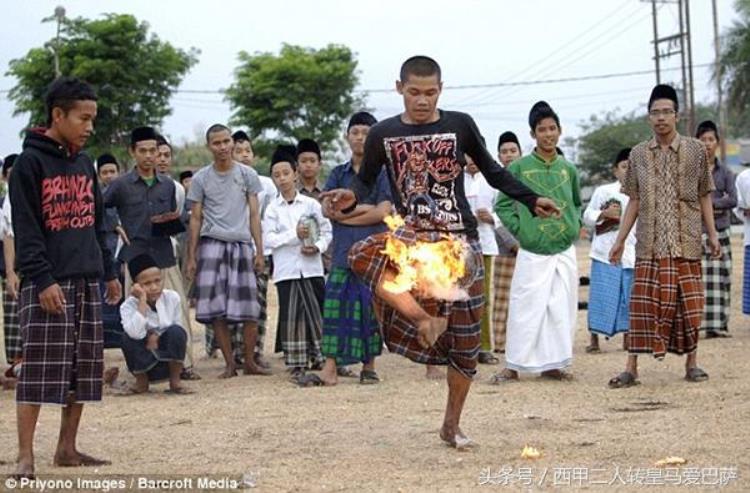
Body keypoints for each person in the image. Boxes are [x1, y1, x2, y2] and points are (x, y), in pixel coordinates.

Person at [322, 56, 559, 448]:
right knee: (361, 255)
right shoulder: (383, 133)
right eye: (414, 92)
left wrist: (532, 200)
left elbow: (493, 171)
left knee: (466, 345)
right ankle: (420, 319)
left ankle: (451, 424)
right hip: (412, 239)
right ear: (399, 89)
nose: (422, 100)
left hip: (459, 242)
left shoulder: (459, 125)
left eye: (430, 93)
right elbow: (364, 185)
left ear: (441, 89)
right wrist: (350, 197)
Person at [10, 77, 121, 477]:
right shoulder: (29, 164)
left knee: (83, 366)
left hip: (88, 278)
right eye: (83, 118)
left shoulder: (84, 162)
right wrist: (42, 280)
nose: (89, 126)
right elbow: (26, 229)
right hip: (49, 284)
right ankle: (25, 456)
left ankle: (67, 448)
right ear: (58, 115)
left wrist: (108, 271)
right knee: (39, 367)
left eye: (93, 118)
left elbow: (96, 223)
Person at [608, 84, 720, 388]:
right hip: (650, 243)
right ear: (648, 118)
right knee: (642, 305)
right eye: (655, 112)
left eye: (666, 112)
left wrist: (712, 235)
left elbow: (705, 195)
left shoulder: (696, 151)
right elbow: (634, 199)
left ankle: (692, 363)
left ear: (677, 115)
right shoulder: (638, 155)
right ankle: (631, 367)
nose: (661, 118)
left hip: (686, 241)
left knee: (690, 305)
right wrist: (619, 240)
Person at [492, 101, 581, 383]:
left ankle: (553, 364)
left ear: (560, 130)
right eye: (542, 129)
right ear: (533, 134)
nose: (548, 134)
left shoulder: (569, 169)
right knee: (525, 307)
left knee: (560, 307)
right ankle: (514, 365)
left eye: (552, 128)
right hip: (532, 250)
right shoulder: (518, 167)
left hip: (563, 249)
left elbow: (577, 204)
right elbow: (503, 206)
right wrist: (523, 232)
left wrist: (573, 227)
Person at [104, 127, 199, 381]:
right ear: (132, 152)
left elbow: (174, 217)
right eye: (143, 151)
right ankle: (142, 371)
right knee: (136, 314)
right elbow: (100, 207)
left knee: (176, 312)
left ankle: (183, 366)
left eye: (153, 151)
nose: (148, 156)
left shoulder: (169, 186)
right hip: (135, 258)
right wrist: (115, 223)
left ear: (159, 153)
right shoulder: (120, 185)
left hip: (164, 256)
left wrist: (171, 220)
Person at [311, 112, 391, 386]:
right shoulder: (337, 173)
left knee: (370, 310)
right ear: (347, 137)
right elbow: (327, 208)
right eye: (355, 132)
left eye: (366, 133)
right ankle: (330, 368)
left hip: (373, 253)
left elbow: (383, 211)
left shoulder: (383, 172)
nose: (360, 137)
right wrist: (358, 210)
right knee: (334, 309)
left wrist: (345, 213)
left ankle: (369, 367)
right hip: (343, 252)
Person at [186, 124, 268, 378]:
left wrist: (259, 250)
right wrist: (191, 256)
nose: (222, 147)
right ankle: (229, 363)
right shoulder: (200, 178)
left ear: (232, 142)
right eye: (216, 143)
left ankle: (250, 362)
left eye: (226, 141)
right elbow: (196, 219)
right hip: (211, 245)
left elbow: (254, 214)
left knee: (250, 308)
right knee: (216, 308)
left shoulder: (247, 175)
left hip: (242, 245)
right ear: (209, 146)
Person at [264, 150, 332, 381]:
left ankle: (324, 359)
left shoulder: (311, 204)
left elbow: (326, 230)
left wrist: (318, 247)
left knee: (317, 313)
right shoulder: (272, 209)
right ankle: (296, 362)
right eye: (276, 175)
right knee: (292, 317)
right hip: (286, 270)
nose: (282, 178)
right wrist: (293, 236)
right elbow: (269, 239)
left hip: (311, 267)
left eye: (286, 173)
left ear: (295, 174)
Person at [583, 148, 636, 353]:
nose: (628, 170)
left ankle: (628, 338)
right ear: (615, 170)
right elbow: (587, 215)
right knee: (600, 296)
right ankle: (594, 339)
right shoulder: (604, 192)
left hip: (631, 253)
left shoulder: (640, 194)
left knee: (628, 297)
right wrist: (602, 214)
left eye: (632, 167)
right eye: (624, 166)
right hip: (604, 253)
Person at [119, 254, 192, 395]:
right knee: (126, 337)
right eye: (146, 284)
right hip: (143, 359)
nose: (154, 287)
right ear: (136, 286)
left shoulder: (172, 297)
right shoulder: (127, 306)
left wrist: (156, 335)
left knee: (177, 332)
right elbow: (135, 333)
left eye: (157, 281)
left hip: (166, 357)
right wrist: (142, 301)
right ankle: (142, 382)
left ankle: (175, 381)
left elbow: (175, 327)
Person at [696, 120, 735, 339]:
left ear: (717, 144)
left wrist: (710, 205)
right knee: (700, 278)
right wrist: (714, 203)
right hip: (698, 232)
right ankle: (700, 324)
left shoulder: (727, 173)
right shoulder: (692, 172)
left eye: (711, 140)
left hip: (722, 231)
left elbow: (733, 199)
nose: (707, 144)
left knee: (722, 277)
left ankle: (720, 324)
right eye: (703, 140)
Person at [463, 153, 501, 365]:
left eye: (474, 154)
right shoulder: (455, 179)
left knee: (482, 297)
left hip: (485, 245)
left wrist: (491, 218)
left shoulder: (491, 180)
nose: (471, 161)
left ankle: (484, 347)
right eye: (467, 156)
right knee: (458, 297)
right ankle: (461, 346)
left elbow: (505, 210)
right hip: (458, 246)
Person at [491, 132, 522, 353]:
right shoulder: (494, 181)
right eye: (505, 152)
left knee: (525, 297)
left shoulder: (528, 178)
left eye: (513, 151)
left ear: (520, 153)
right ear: (499, 156)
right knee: (501, 299)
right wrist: (513, 244)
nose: (509, 155)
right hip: (505, 248)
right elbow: (496, 218)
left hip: (530, 247)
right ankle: (501, 344)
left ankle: (522, 343)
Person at [1, 154, 21, 374]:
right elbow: (9, 236)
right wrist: (10, 271)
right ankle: (17, 363)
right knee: (14, 311)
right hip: (17, 266)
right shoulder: (8, 201)